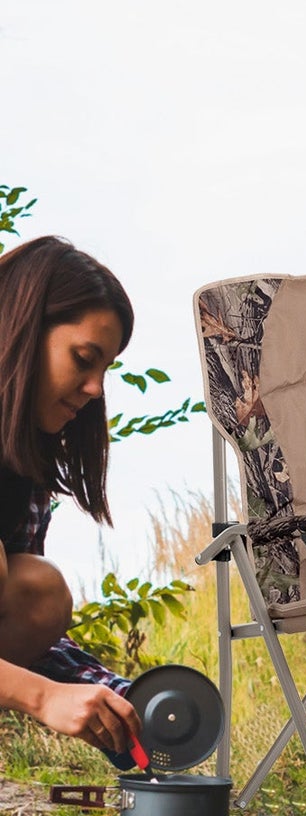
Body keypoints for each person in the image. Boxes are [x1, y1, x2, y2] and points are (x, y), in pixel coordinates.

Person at [0, 236, 143, 760]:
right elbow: (36, 686)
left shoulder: (21, 460)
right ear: (19, 329)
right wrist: (41, 698)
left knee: (37, 591)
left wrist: (120, 698)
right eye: (83, 359)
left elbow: (29, 635)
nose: (95, 389)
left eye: (105, 369)